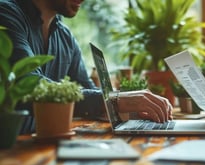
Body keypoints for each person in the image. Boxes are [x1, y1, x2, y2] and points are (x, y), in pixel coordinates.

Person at [0, 0, 173, 134]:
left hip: (46, 147)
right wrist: (115, 101)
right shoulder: (6, 13)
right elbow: (28, 85)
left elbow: (88, 94)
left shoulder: (65, 37)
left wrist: (132, 111)